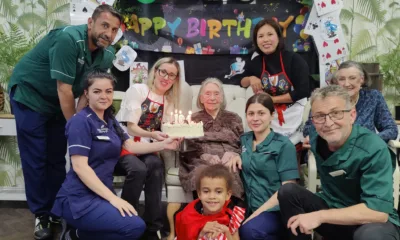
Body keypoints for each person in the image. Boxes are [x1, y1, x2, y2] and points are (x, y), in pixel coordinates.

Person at [7, 4, 121, 239]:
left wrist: (77, 124)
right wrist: (75, 127)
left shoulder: (106, 53)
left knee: (58, 157)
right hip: (31, 96)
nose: (109, 33)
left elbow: (85, 94)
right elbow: (64, 89)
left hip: (60, 103)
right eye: (105, 25)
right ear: (90, 23)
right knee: (37, 158)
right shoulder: (69, 39)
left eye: (114, 30)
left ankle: (57, 208)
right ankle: (41, 214)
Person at [51, 71, 181, 240]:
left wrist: (164, 144)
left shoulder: (110, 120)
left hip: (101, 192)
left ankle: (77, 234)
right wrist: (114, 199)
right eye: (97, 91)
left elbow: (131, 146)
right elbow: (80, 167)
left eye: (108, 91)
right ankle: (77, 234)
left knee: (133, 224)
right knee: (134, 227)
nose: (104, 96)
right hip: (78, 197)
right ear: (86, 94)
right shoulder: (80, 121)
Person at [278, 85, 400, 240]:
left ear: (352, 115)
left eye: (336, 113)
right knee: (288, 192)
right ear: (313, 121)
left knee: (370, 235)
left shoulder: (373, 148)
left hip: (371, 221)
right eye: (320, 116)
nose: (328, 123)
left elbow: (378, 213)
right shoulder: (317, 137)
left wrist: (320, 216)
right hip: (334, 208)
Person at [167, 78, 244, 240]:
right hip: (199, 158)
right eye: (207, 94)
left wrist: (235, 154)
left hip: (227, 159)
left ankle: (228, 223)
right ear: (201, 98)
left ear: (222, 97)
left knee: (232, 172)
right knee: (202, 173)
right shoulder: (193, 119)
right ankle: (203, 222)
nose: (212, 97)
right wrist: (206, 156)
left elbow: (241, 142)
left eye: (216, 94)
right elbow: (188, 148)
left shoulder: (234, 118)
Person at [115, 57, 181, 239]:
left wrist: (176, 133)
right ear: (156, 71)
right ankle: (127, 221)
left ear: (175, 80)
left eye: (172, 75)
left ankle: (153, 227)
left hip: (146, 149)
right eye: (164, 72)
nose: (166, 77)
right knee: (138, 169)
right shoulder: (138, 90)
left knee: (156, 166)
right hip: (126, 145)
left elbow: (166, 129)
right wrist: (152, 134)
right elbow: (130, 127)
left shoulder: (168, 102)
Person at [227, 93, 299, 239]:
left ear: (272, 115)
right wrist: (234, 155)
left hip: (275, 210)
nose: (255, 118)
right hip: (247, 207)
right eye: (251, 113)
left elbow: (288, 190)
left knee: (249, 230)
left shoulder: (284, 145)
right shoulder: (244, 140)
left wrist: (256, 214)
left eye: (261, 113)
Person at [240, 19, 310, 148]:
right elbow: (242, 82)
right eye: (260, 36)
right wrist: (250, 78)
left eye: (270, 34)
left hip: (294, 115)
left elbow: (303, 90)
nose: (265, 39)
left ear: (278, 37)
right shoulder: (256, 62)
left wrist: (272, 99)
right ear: (256, 41)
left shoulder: (294, 59)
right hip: (271, 117)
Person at [303, 61, 398, 148]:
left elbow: (391, 129)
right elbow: (308, 130)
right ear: (336, 82)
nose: (347, 84)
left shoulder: (373, 97)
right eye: (342, 79)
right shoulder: (324, 99)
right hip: (334, 151)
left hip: (367, 150)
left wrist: (368, 140)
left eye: (352, 78)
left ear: (362, 79)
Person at [175, 164, 246, 240]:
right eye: (206, 191)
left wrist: (226, 231)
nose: (212, 197)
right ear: (199, 194)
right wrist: (201, 233)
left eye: (218, 192)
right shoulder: (188, 216)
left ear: (227, 195)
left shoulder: (232, 212)